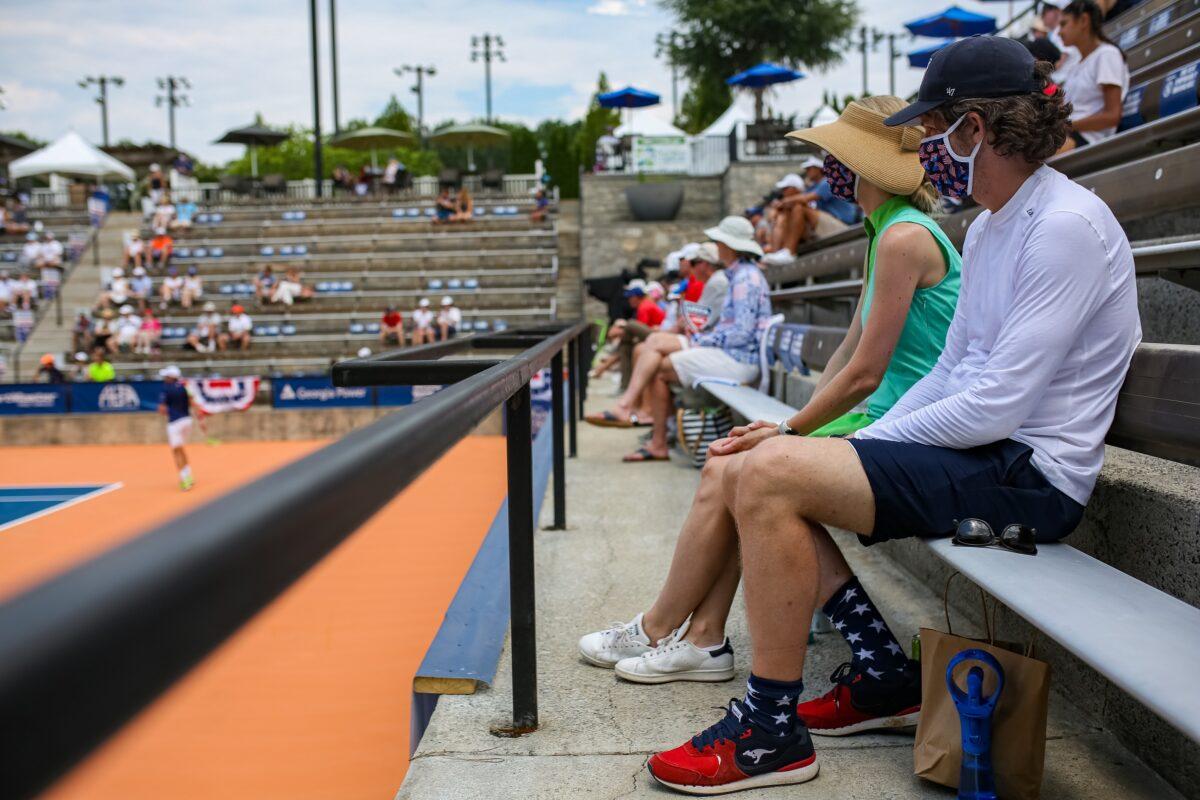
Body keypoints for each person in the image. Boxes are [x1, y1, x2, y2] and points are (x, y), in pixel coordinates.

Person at [627, 37, 1139, 795]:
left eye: (937, 130)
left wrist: (853, 444)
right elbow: (950, 371)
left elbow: (998, 401)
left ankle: (773, 732)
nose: (928, 149)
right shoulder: (997, 223)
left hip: (1033, 481)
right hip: (991, 455)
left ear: (977, 127)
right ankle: (879, 677)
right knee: (760, 466)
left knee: (769, 471)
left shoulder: (1064, 225)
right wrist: (839, 445)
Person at [580, 94, 963, 679]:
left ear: (864, 167)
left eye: (840, 158)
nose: (831, 171)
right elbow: (847, 352)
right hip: (890, 415)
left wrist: (789, 428)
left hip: (910, 424)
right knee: (730, 461)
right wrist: (797, 424)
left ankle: (663, 628)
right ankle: (702, 638)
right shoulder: (885, 231)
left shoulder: (904, 238)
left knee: (745, 466)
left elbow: (866, 371)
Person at [624, 216, 772, 463]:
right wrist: (704, 338)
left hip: (740, 360)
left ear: (729, 246)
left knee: (660, 368)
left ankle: (654, 435)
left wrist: (702, 341)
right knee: (659, 363)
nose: (717, 245)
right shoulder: (741, 275)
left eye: (719, 241)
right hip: (735, 355)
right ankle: (655, 434)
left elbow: (741, 334)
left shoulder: (745, 278)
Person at [587, 242, 731, 428]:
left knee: (639, 340)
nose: (687, 267)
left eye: (692, 262)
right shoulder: (703, 283)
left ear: (704, 264)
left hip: (707, 342)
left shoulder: (714, 282)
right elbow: (694, 320)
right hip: (697, 337)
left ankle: (635, 409)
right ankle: (639, 410)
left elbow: (697, 322)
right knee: (641, 347)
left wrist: (675, 325)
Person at [1058, 0, 1128, 151]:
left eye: (1064, 24)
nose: (1059, 32)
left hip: (1087, 139)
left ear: (1083, 20)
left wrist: (1067, 125)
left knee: (1026, 158)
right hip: (1070, 134)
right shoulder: (1077, 64)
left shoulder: (1107, 55)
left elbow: (1113, 116)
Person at [158, 365, 195, 491]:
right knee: (181, 448)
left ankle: (185, 479)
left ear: (171, 377)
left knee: (176, 451)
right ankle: (188, 473)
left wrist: (169, 411)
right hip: (187, 421)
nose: (164, 378)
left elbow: (162, 409)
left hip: (175, 423)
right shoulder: (185, 386)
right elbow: (192, 402)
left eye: (166, 376)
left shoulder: (166, 389)